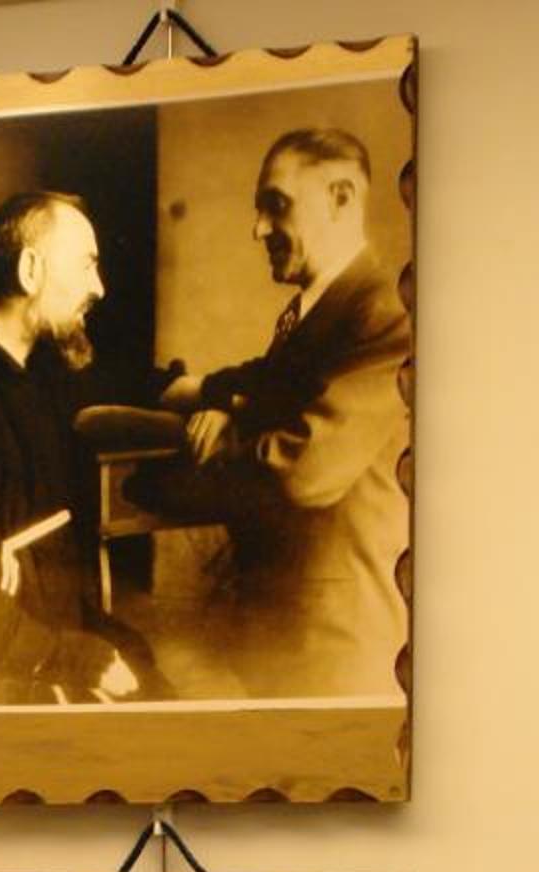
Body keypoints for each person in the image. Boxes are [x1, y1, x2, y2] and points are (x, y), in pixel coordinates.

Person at [131, 128, 409, 694]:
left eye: (275, 205)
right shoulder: (322, 312)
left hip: (336, 646)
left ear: (340, 198)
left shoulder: (388, 313)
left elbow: (303, 469)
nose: (258, 229)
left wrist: (224, 432)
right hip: (284, 629)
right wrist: (202, 391)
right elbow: (267, 382)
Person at [0, 191, 150, 705]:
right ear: (30, 270)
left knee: (154, 678)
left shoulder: (39, 366)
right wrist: (75, 658)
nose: (99, 287)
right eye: (87, 265)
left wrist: (213, 394)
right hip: (3, 664)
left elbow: (121, 382)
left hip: (61, 624)